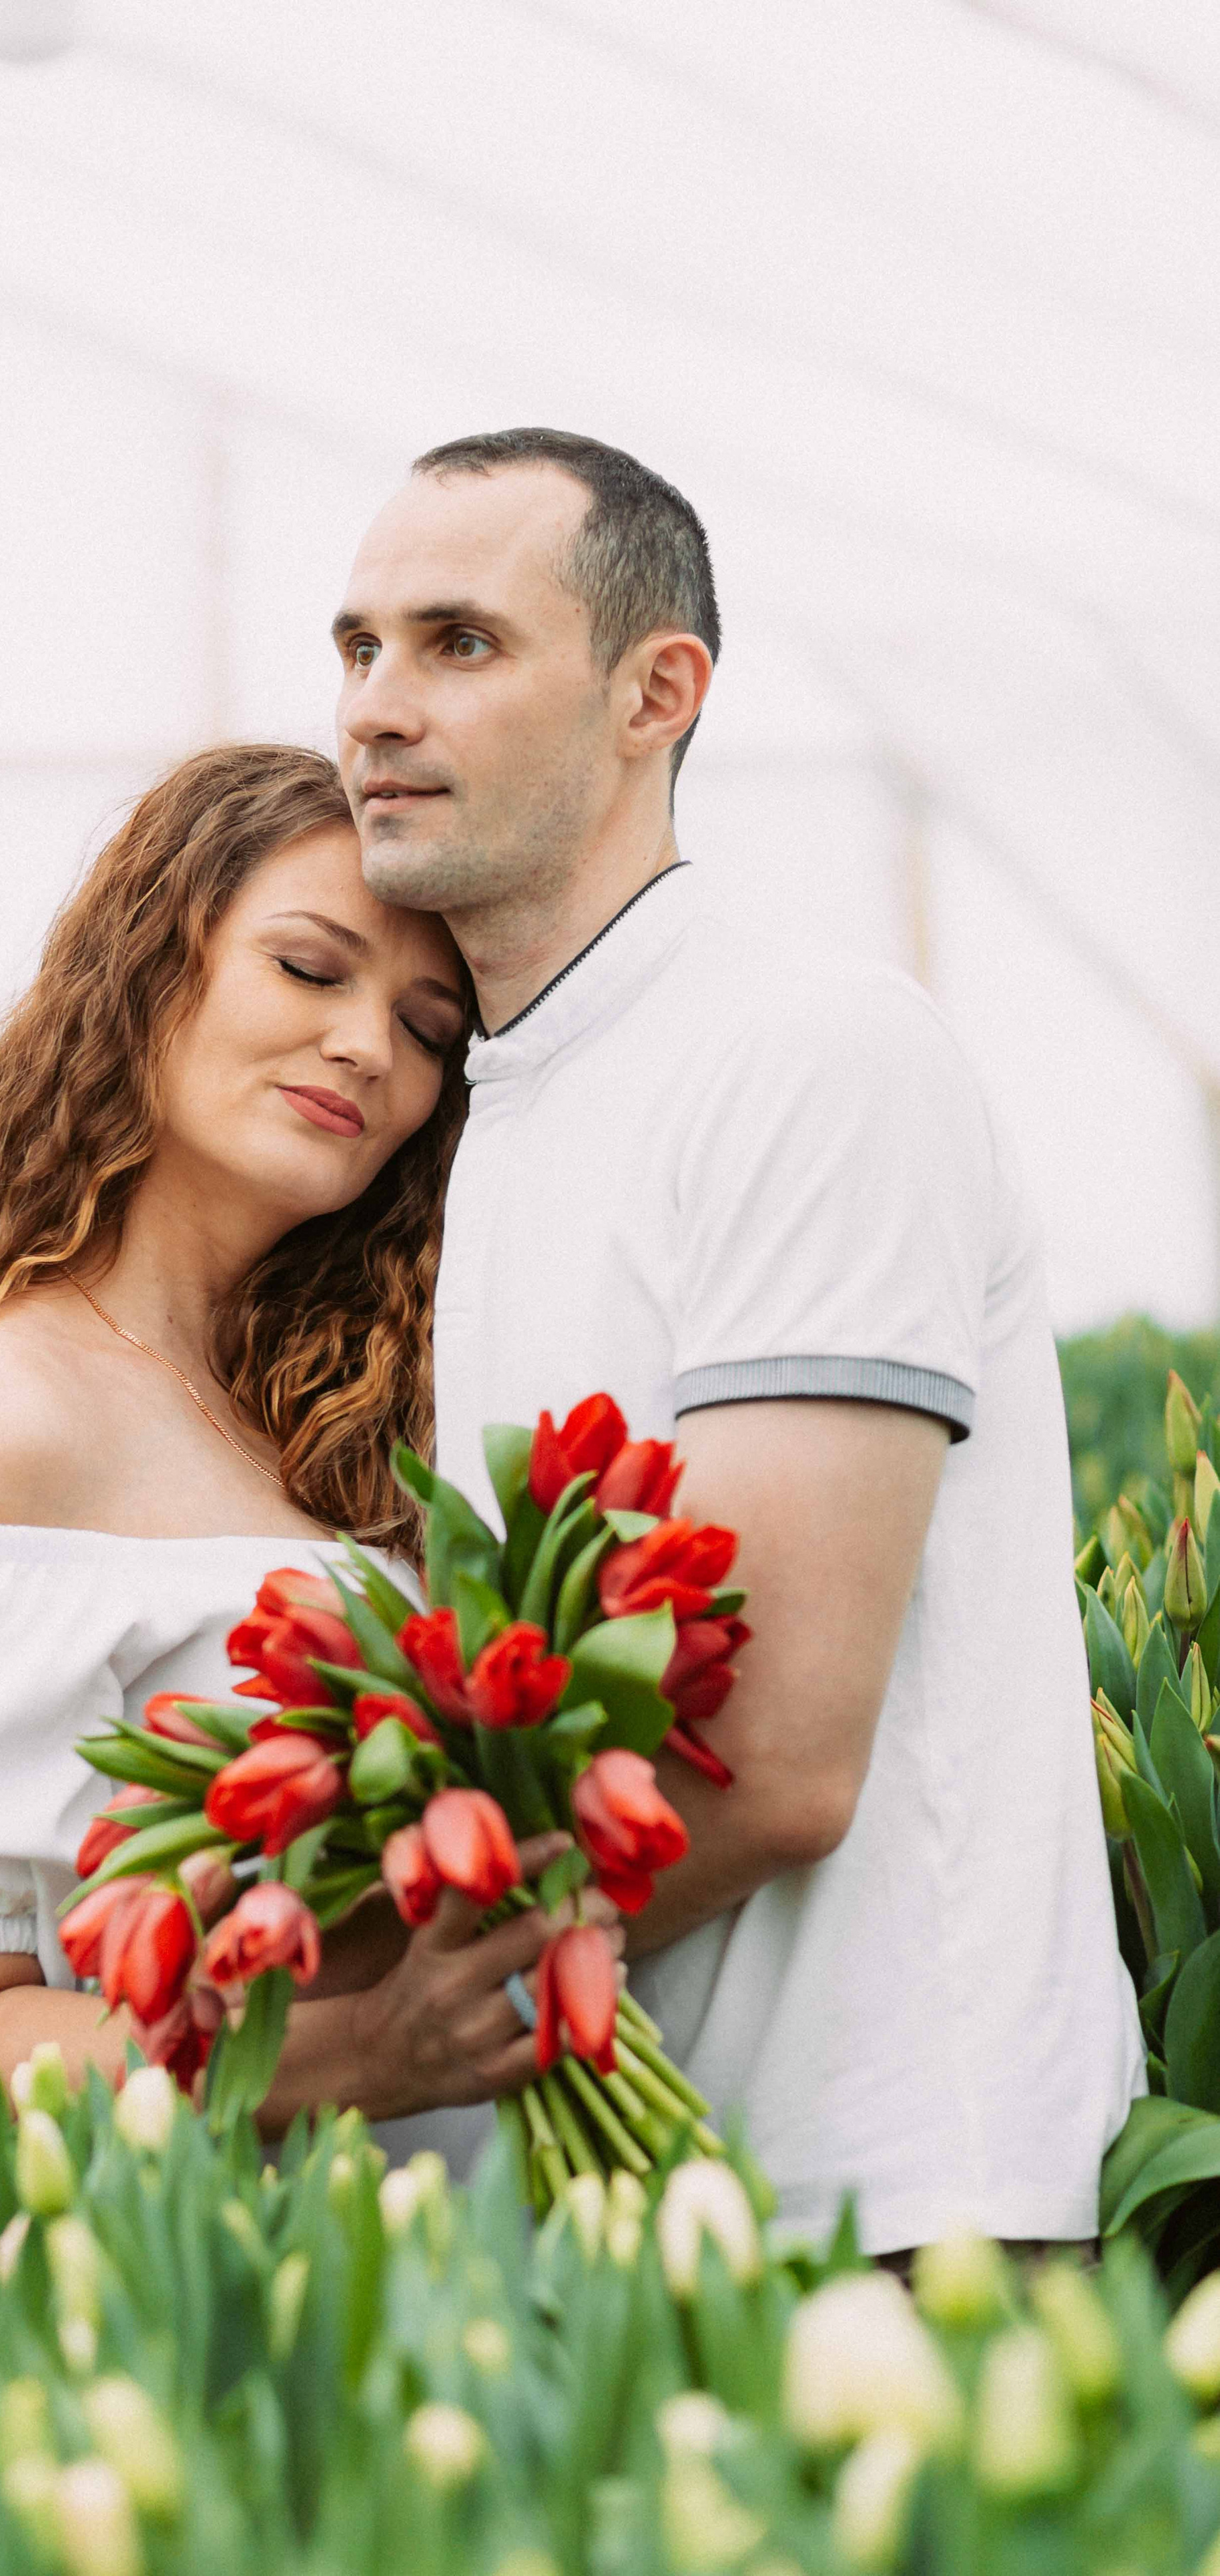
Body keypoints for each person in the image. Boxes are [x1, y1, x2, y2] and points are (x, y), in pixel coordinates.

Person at [332, 426, 1144, 2257]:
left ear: (656, 693)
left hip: (891, 2213)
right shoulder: (503, 1110)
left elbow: (775, 1759)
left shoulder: (805, 1057)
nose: (378, 704)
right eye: (358, 646)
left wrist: (351, 2011)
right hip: (644, 2221)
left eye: (458, 642)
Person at [0, 741, 612, 2132]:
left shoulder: (348, 1407)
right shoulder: (9, 1416)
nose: (367, 1050)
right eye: (308, 968)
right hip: (226, 2272)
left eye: (426, 1028)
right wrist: (366, 2057)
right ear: (150, 968)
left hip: (446, 2253)